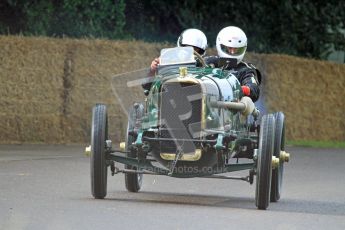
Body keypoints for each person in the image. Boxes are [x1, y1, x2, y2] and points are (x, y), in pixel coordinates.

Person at [204, 26, 261, 102]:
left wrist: (243, 89)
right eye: (229, 48)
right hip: (202, 102)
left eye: (236, 49)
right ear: (220, 46)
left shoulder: (245, 70)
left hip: (229, 108)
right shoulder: (209, 61)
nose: (232, 52)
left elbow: (254, 89)